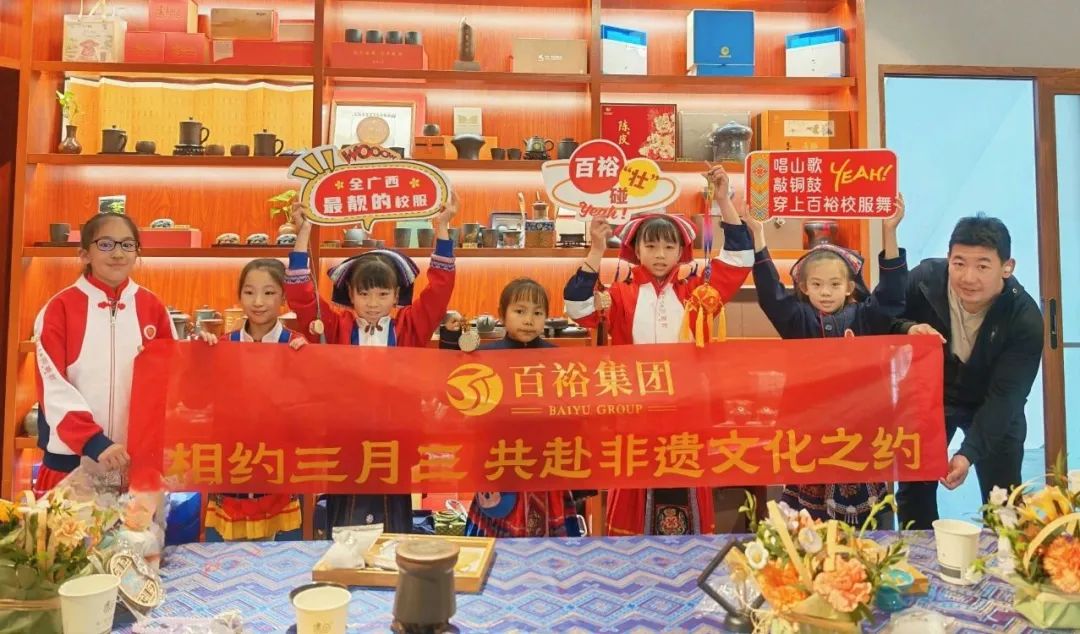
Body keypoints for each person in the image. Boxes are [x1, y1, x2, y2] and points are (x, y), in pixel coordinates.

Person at [562, 165, 755, 536]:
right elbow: (577, 307)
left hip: (688, 409)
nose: (661, 254)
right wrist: (596, 250)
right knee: (633, 482)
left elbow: (740, 258)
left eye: (669, 246)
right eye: (651, 246)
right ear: (636, 250)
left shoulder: (697, 289)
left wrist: (722, 200)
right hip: (634, 409)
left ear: (682, 250)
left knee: (686, 475)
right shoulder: (621, 294)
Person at [285, 196, 458, 533]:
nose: (373, 303)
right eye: (364, 294)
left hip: (396, 442)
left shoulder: (410, 327)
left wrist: (442, 228)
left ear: (396, 295)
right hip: (345, 439)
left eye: (382, 294)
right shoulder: (335, 327)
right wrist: (303, 233)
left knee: (395, 524)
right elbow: (302, 297)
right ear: (350, 295)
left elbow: (439, 290)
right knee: (343, 522)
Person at [749, 195, 908, 525]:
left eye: (834, 284)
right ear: (804, 287)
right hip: (810, 433)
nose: (825, 292)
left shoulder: (865, 317)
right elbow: (770, 295)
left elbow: (891, 296)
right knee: (808, 524)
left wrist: (890, 232)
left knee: (867, 523)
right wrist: (757, 234)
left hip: (859, 432)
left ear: (849, 287)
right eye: (817, 284)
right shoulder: (797, 320)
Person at [892, 215, 1043, 529]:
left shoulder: (1024, 318)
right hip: (931, 399)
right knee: (914, 491)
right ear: (948, 258)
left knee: (1004, 500)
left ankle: (1007, 556)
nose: (968, 277)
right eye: (959, 263)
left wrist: (967, 454)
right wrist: (907, 328)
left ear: (1007, 267)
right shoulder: (924, 281)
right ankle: (919, 554)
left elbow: (1006, 398)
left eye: (983, 266)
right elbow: (881, 317)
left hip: (991, 402)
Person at [32, 213, 175, 496]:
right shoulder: (59, 309)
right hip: (72, 464)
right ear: (85, 254)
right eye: (106, 244)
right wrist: (93, 441)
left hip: (134, 466)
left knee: (136, 528)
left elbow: (172, 380)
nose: (118, 253)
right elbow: (52, 387)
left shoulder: (153, 308)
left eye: (127, 244)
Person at [196, 259, 306, 541]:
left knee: (280, 557)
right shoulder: (223, 346)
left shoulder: (297, 346)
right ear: (239, 295)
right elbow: (199, 400)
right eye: (249, 292)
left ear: (284, 297)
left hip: (279, 466)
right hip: (233, 462)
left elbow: (311, 409)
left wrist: (309, 362)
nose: (258, 302)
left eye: (269, 293)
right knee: (227, 558)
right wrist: (199, 359)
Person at [464, 278, 584, 538]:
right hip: (501, 459)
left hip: (547, 460)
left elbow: (571, 413)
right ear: (502, 314)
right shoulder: (485, 358)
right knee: (496, 544)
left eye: (538, 313)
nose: (529, 320)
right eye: (520, 311)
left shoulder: (558, 359)